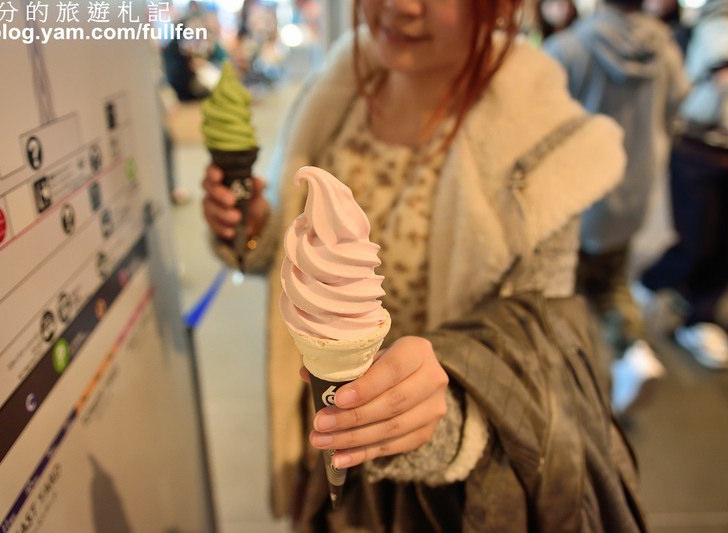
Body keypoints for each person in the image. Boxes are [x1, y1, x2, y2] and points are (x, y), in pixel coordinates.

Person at [203, 0, 644, 529]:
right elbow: (302, 266)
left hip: (447, 500)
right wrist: (252, 228)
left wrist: (433, 424)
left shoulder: (544, 141)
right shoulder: (337, 86)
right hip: (326, 449)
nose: (397, 6)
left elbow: (530, 361)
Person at [544, 0, 689, 413]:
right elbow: (676, 109)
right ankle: (634, 352)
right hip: (631, 196)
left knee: (558, 297)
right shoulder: (665, 50)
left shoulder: (569, 49)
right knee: (611, 285)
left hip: (573, 200)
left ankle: (563, 387)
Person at [639, 0, 728, 369]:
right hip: (699, 147)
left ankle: (701, 316)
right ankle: (650, 284)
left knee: (722, 245)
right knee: (694, 238)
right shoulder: (715, 25)